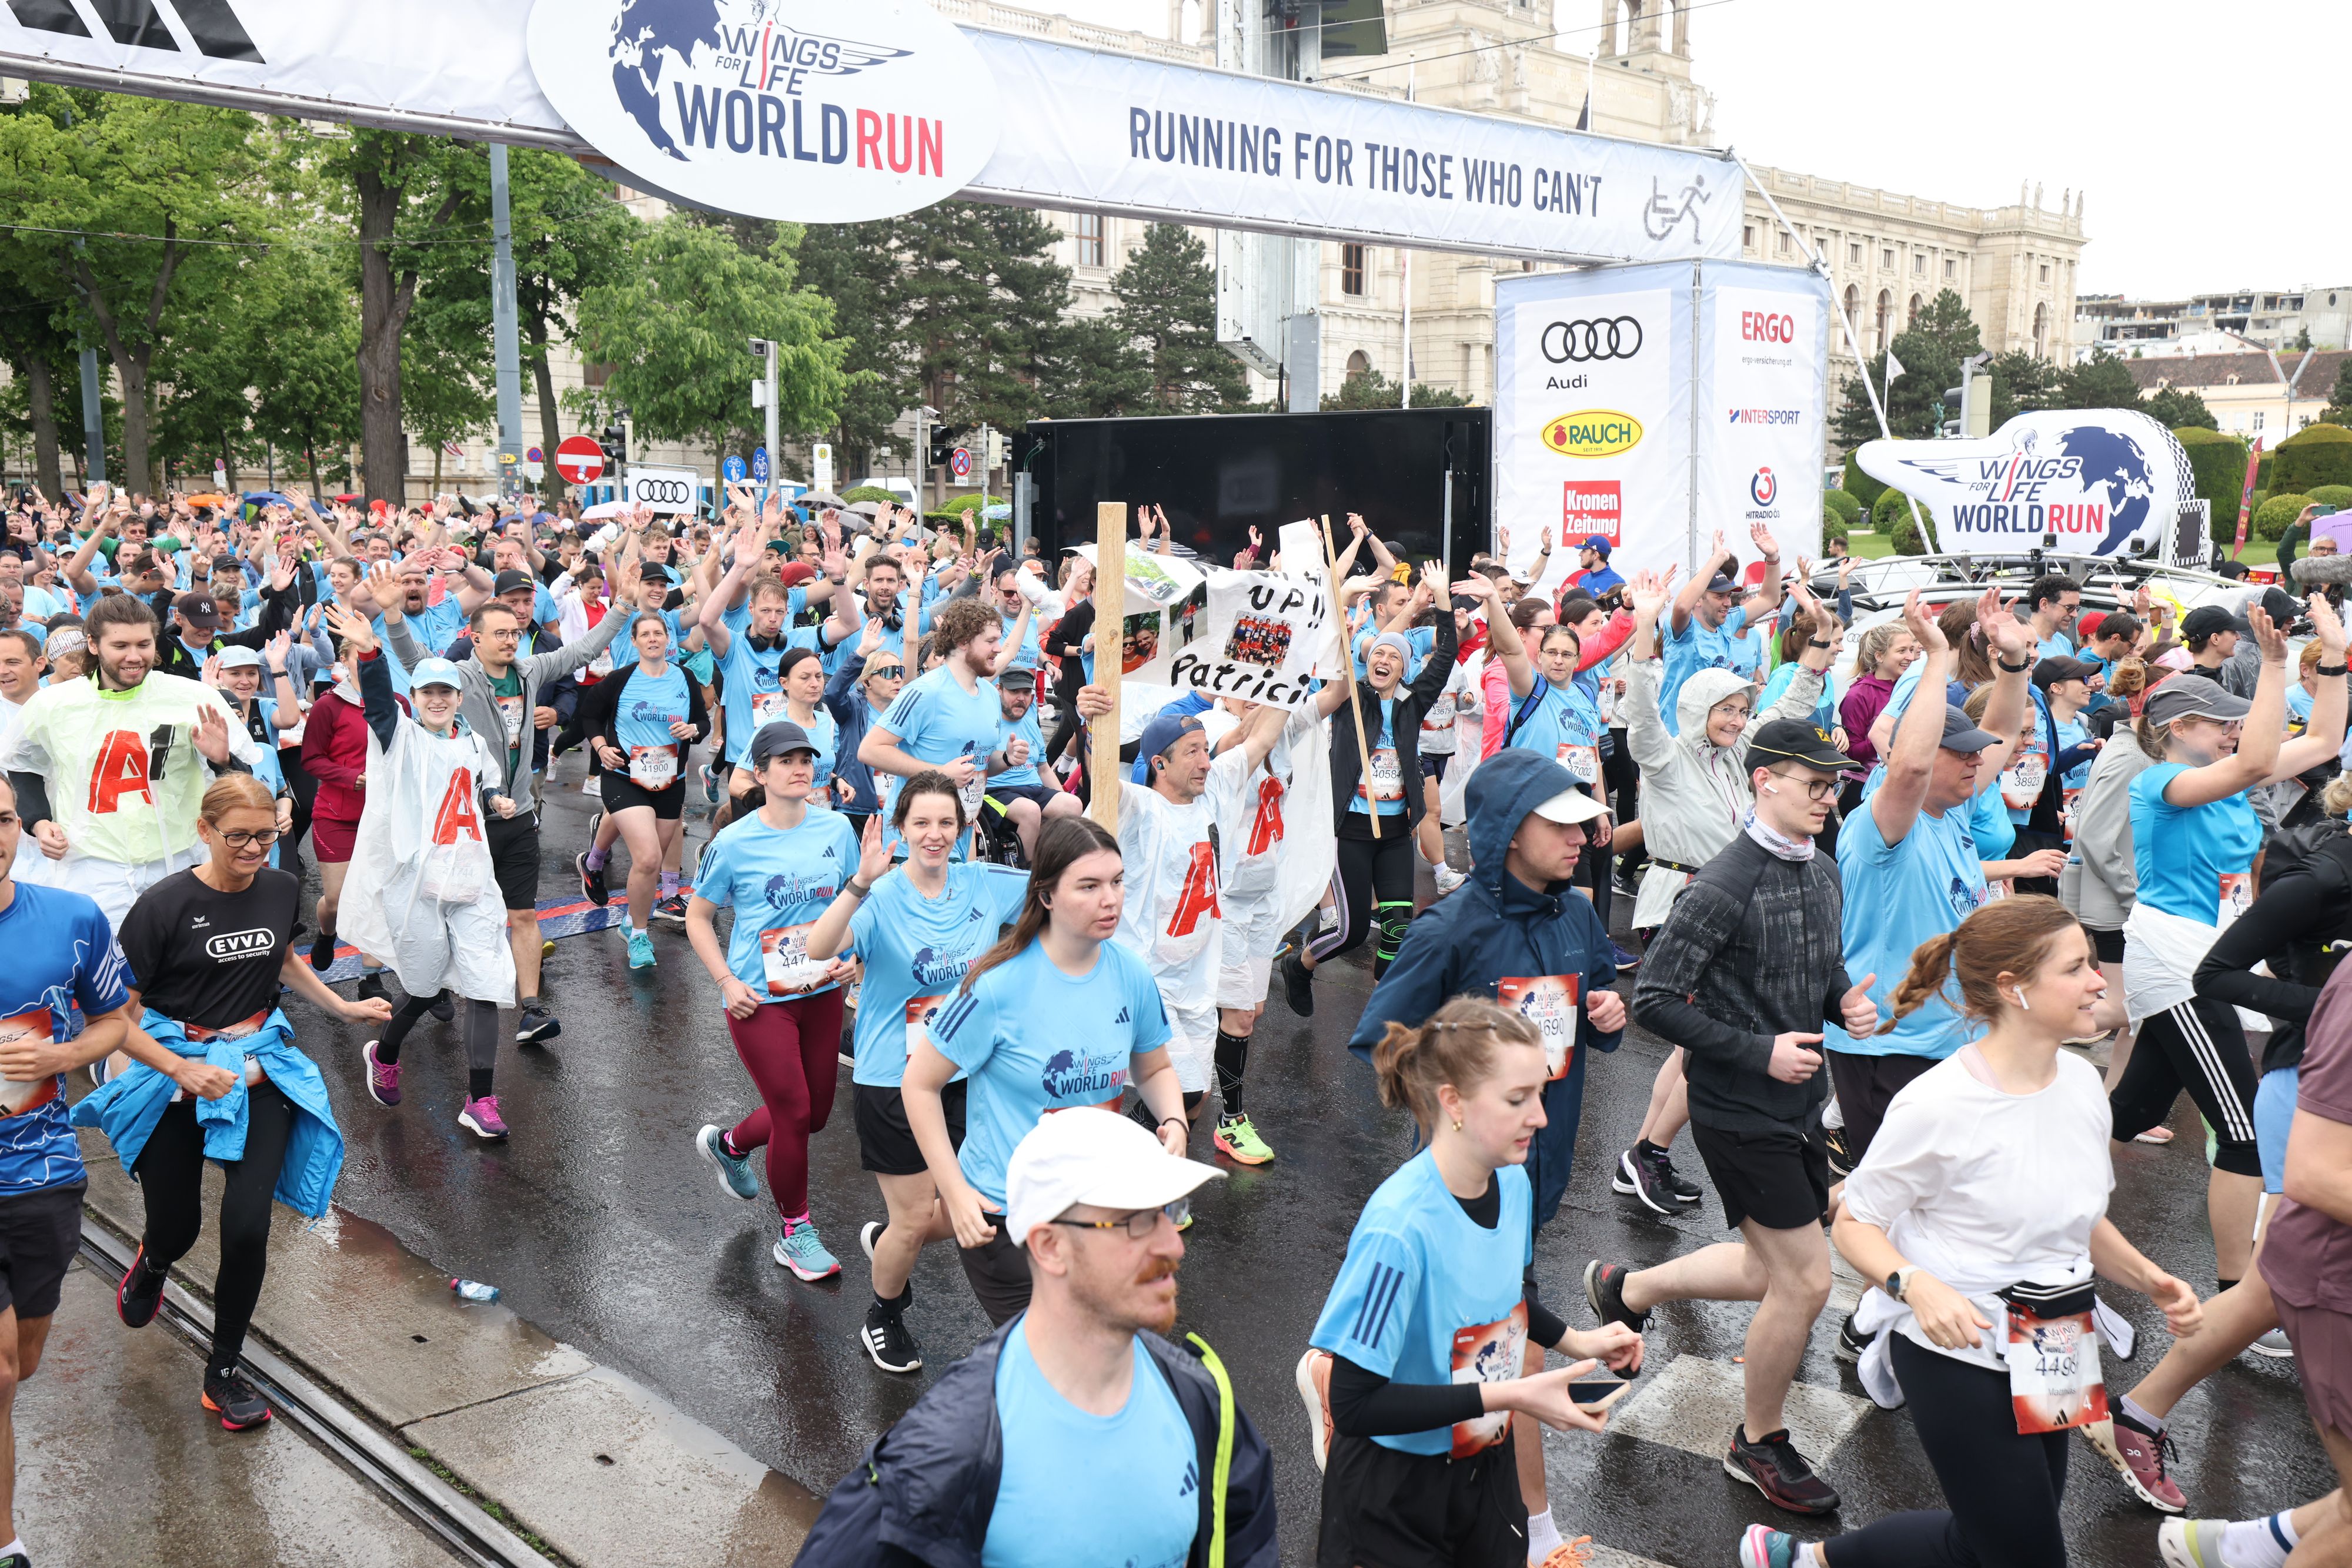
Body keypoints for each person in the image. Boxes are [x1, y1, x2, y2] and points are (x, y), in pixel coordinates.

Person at [1742, 896, 2201, 1568]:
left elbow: (2077, 1218)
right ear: (2014, 989)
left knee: (2006, 1534)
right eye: (2075, 968)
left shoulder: (2080, 1083)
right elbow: (1856, 1222)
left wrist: (2149, 1279)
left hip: (2056, 1339)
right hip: (1957, 1350)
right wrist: (1914, 1283)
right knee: (2028, 1554)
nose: (2099, 980)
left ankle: (1809, 1563)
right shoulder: (1938, 1104)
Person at [1586, 720, 1881, 1517]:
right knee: (1808, 1279)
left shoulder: (1821, 868)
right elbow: (1653, 1000)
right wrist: (1758, 1051)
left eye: (1835, 783)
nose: (1830, 795)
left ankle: (1628, 1285)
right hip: (1739, 1106)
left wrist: (1841, 1000)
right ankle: (1759, 1439)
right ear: (1765, 782)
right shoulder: (1722, 882)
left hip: (1794, 1100)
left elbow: (1818, 960)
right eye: (1814, 782)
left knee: (1768, 1268)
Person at [1344, 747, 1625, 1564]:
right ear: (1507, 830)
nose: (1584, 837)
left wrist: (1607, 1014)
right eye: (1562, 823)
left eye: (1585, 822)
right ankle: (1526, 1529)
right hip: (1471, 1184)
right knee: (1500, 1341)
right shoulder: (1450, 927)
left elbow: (1595, 1012)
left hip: (1545, 1165)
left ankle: (1497, 1510)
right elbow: (1380, 1038)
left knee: (1489, 1333)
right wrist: (1459, 1119)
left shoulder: (1576, 914)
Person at [794, 1105, 1277, 1568]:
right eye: (1138, 1221)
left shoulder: (1200, 1399)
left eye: (1170, 1212)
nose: (1173, 1244)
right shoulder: (947, 1451)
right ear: (1050, 1246)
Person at [76, 774, 388, 1433]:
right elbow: (117, 1013)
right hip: (174, 1071)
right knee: (179, 1225)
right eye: (238, 837)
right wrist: (168, 1071)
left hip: (256, 1068)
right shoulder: (161, 906)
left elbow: (281, 958)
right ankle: (155, 1261)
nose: (254, 849)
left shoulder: (278, 886)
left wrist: (340, 1006)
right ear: (204, 831)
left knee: (247, 1226)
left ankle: (223, 1372)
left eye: (266, 835)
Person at [1306, 997, 1643, 1568]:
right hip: (1395, 1495)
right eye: (1517, 1099)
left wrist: (1580, 1342)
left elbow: (1501, 1295)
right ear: (1452, 1102)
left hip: (1484, 1462)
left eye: (1540, 1092)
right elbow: (1355, 1402)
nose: (1540, 1116)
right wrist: (1511, 1394)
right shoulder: (1399, 1229)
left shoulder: (1512, 1183)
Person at [2112, 601, 2347, 1293]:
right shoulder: (2158, 784)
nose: (2236, 731)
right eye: (2222, 722)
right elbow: (2252, 765)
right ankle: (2236, 1292)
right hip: (2180, 965)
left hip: (2210, 957)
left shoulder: (2224, 780)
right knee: (2242, 1136)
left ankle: (2028, 1177)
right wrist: (2274, 665)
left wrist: (2332, 657)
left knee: (2131, 1111)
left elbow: (2326, 736)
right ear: (2178, 729)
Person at [901, 815, 1190, 1326]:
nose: (1112, 899)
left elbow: (1155, 1066)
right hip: (1009, 1218)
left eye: (1118, 881)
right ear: (1048, 895)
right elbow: (919, 1084)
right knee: (1053, 1365)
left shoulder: (1131, 973)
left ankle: (900, 1237)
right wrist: (957, 1195)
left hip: (1097, 1208)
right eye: (1090, 885)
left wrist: (1175, 1121)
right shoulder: (995, 986)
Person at [1612, 571, 1838, 1212]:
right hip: (1677, 904)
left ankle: (1641, 1156)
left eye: (1741, 710)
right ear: (1696, 711)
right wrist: (1646, 627)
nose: (1737, 721)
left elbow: (1787, 712)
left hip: (1729, 912)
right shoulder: (1667, 757)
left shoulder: (1737, 763)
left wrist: (1817, 647)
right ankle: (1648, 1154)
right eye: (1725, 710)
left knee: (1690, 1051)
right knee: (1708, 1042)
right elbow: (1639, 723)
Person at [797, 773, 1028, 1372]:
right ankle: (883, 1313)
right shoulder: (881, 899)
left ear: (963, 828)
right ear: (901, 829)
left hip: (967, 1076)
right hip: (894, 1081)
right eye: (921, 823)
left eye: (945, 823)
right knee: (914, 1216)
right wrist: (858, 883)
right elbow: (820, 948)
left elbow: (1062, 890)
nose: (933, 834)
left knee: (982, 1203)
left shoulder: (983, 884)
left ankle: (895, 1242)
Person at [379, 556, 642, 1047]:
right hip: (462, 828)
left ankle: (532, 1009)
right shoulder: (459, 677)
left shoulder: (531, 669)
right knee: (444, 921)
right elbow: (415, 663)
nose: (509, 639)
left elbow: (585, 649)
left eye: (514, 632)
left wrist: (623, 605)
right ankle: (428, 989)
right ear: (474, 638)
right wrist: (394, 618)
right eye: (498, 633)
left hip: (517, 816)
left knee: (523, 915)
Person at [1823, 588, 2033, 1167]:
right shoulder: (1884, 823)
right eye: (1960, 753)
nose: (1975, 761)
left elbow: (2005, 736)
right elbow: (1910, 763)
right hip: (1890, 1047)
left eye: (1974, 754)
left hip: (1951, 1037)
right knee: (1902, 1200)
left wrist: (2012, 660)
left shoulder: (1956, 807)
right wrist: (1935, 657)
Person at [0, 775, 133, 1566]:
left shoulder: (73, 918)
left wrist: (63, 1053)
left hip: (45, 1174)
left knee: (27, 1362)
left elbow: (118, 1017)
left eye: (3, 817)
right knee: (2, 1373)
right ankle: (8, 1540)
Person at [330, 611, 526, 1139]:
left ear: (459, 697)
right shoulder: (401, 740)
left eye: (446, 691)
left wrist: (495, 799)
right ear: (414, 698)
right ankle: (386, 1052)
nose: (437, 699)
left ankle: (480, 1098)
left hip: (471, 876)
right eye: (427, 692)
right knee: (422, 987)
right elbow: (377, 707)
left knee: (486, 985)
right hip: (415, 882)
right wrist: (371, 654)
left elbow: (479, 784)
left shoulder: (474, 744)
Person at [684, 721, 859, 1283]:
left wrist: (855, 956)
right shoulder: (735, 841)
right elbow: (698, 916)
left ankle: (730, 1145)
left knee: (816, 1114)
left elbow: (856, 903)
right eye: (785, 760)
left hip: (824, 990)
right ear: (760, 773)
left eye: (806, 757)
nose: (799, 767)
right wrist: (726, 982)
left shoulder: (836, 828)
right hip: (759, 1000)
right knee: (793, 1111)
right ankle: (795, 1231)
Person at [1079, 693, 1289, 1146]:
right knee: (1183, 1088)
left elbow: (1264, 736)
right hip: (1149, 979)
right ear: (1159, 763)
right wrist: (1095, 723)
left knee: (1192, 1102)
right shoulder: (1137, 807)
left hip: (1197, 981)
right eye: (1192, 751)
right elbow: (1104, 784)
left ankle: (1143, 1187)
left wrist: (1294, 673)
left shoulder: (1213, 793)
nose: (1206, 761)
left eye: (1204, 749)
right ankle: (1102, 1165)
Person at [0, 591, 259, 933]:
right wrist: (38, 822)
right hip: (91, 865)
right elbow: (21, 764)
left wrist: (222, 759)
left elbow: (243, 783)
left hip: (180, 861)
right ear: (93, 644)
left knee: (181, 966)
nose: (134, 657)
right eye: (120, 646)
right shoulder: (53, 704)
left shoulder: (193, 697)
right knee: (106, 970)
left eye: (144, 645)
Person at [1281, 561, 1459, 1015]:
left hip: (1395, 833)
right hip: (1350, 833)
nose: (1383, 660)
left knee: (1399, 925)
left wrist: (1441, 602)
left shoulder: (1411, 704)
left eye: (1394, 657)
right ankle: (1300, 966)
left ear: (1404, 669)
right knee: (1350, 931)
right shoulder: (1351, 700)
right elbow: (1333, 650)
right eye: (1378, 653)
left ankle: (1383, 1013)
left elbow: (1445, 658)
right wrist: (1340, 598)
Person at [576, 611, 707, 968]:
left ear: (668, 639)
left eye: (658, 633)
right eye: (644, 634)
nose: (652, 639)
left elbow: (703, 721)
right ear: (634, 642)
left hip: (670, 782)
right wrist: (602, 747)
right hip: (625, 777)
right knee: (648, 858)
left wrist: (693, 730)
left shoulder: (686, 678)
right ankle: (639, 935)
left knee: (648, 870)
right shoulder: (621, 679)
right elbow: (588, 714)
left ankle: (630, 918)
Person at [859, 597, 1007, 854]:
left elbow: (976, 765)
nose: (999, 648)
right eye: (991, 641)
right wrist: (939, 772)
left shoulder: (991, 694)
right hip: (914, 842)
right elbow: (870, 750)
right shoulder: (924, 692)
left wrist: (1007, 758)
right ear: (963, 642)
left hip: (963, 836)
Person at [1659, 524, 1785, 735]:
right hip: (1678, 738)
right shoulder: (1685, 630)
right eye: (1719, 596)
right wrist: (1717, 558)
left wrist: (1773, 558)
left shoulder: (1728, 623)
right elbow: (1681, 606)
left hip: (1714, 737)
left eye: (1728, 595)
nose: (1728, 602)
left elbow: (1770, 599)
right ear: (1699, 600)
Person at [983, 651, 1081, 861]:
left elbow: (1044, 768)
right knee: (1031, 811)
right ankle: (1029, 873)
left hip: (1033, 789)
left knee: (1073, 805)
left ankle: (1059, 864)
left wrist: (1061, 795)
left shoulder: (1030, 722)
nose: (1021, 698)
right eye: (1014, 691)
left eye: (1027, 692)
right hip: (996, 791)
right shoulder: (986, 722)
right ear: (999, 690)